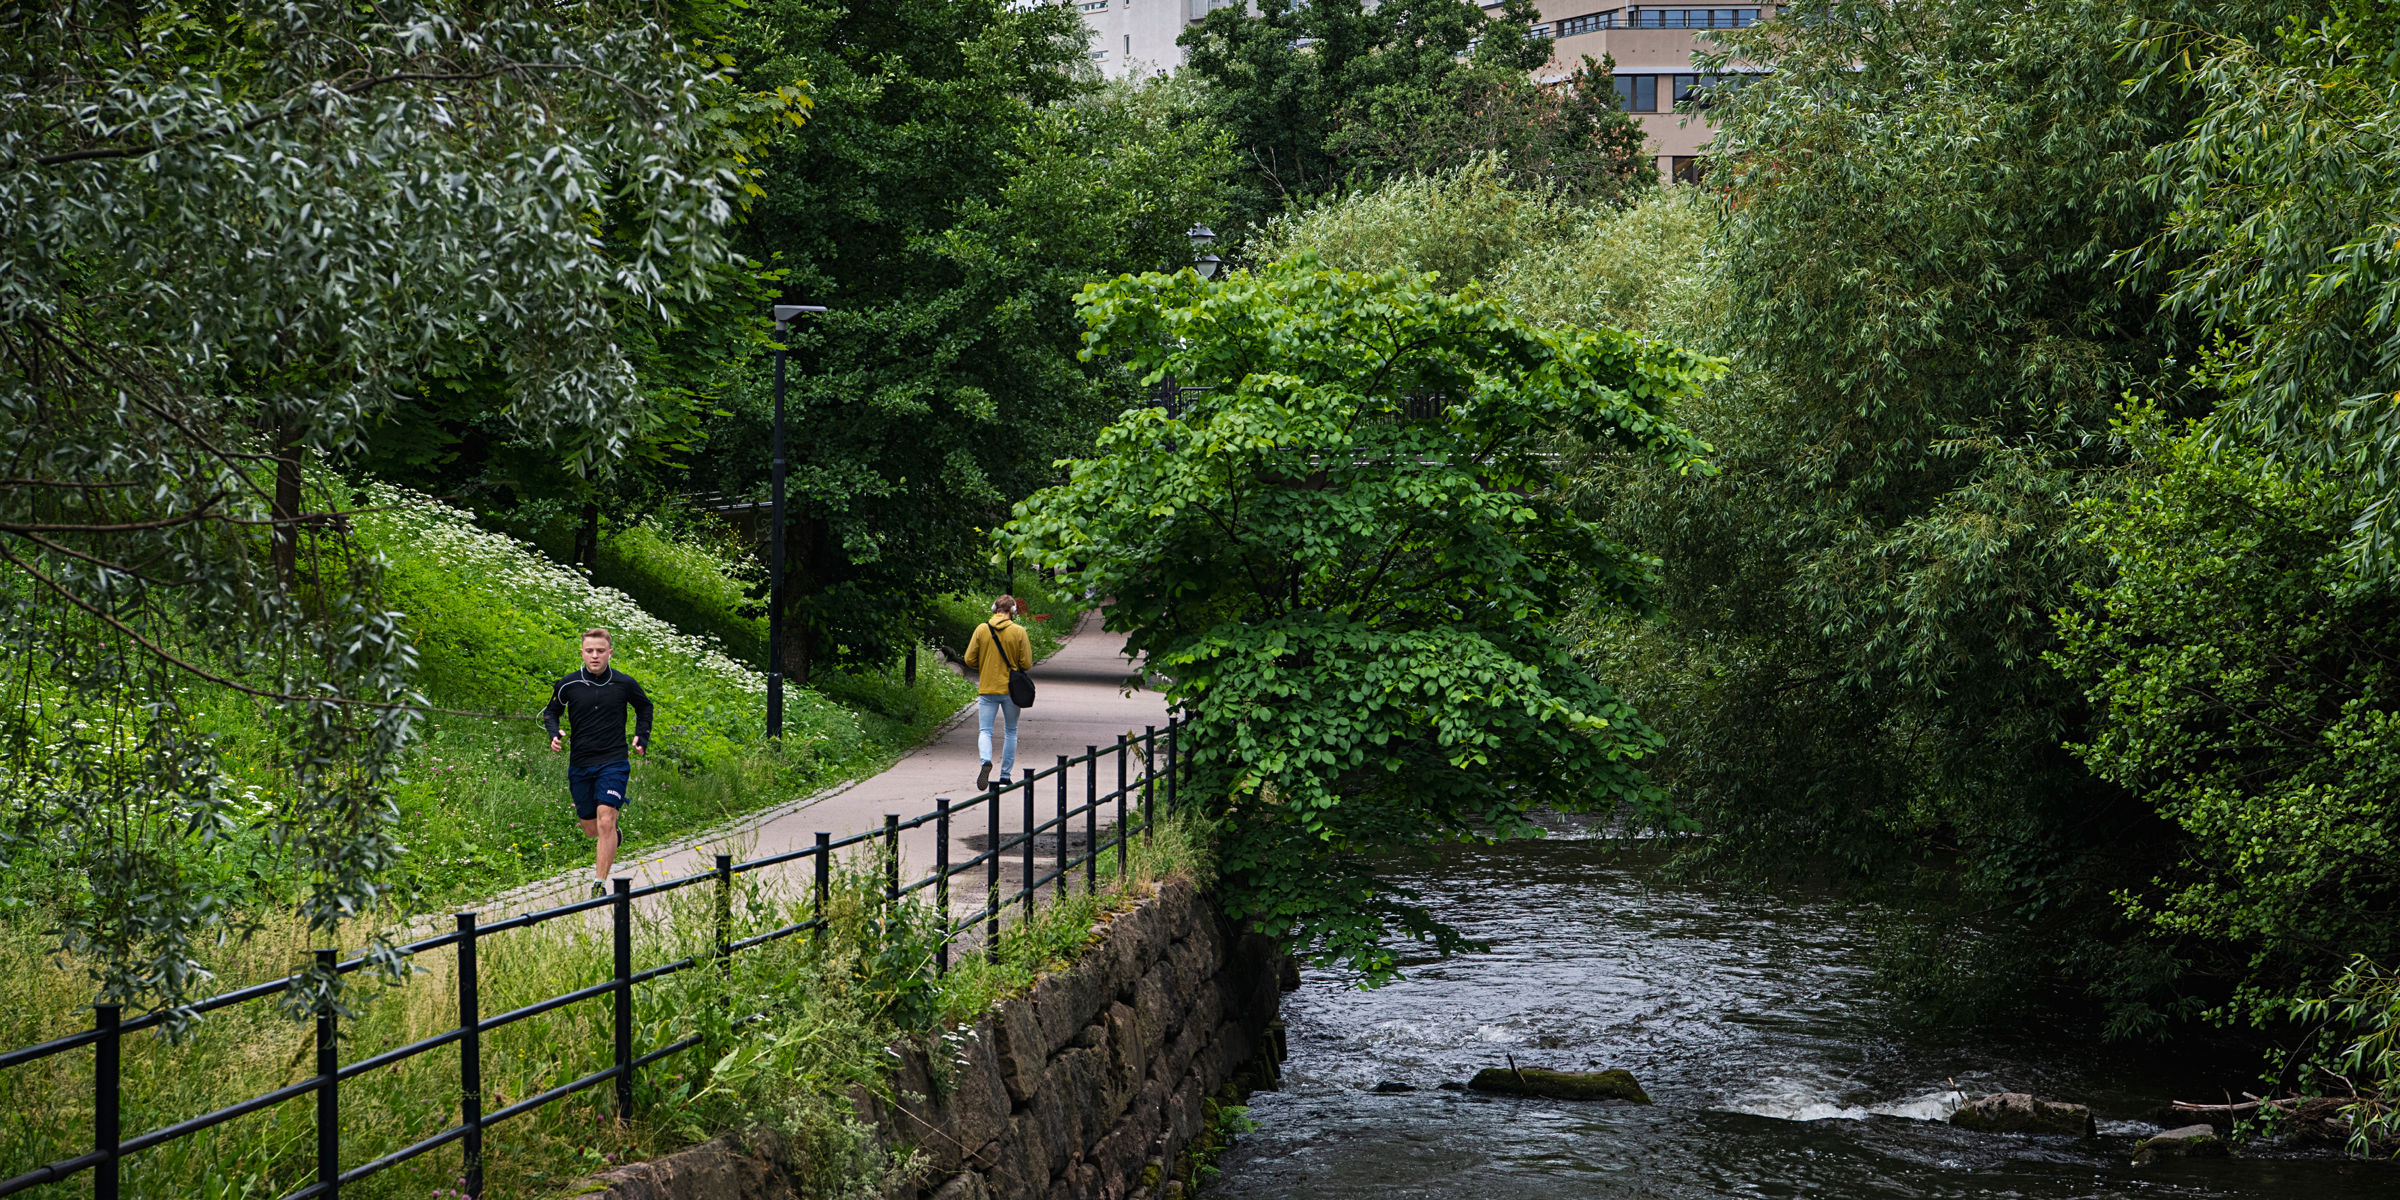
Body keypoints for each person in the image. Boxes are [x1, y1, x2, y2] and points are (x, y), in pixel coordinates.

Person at [541, 628, 653, 896]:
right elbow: (551, 712)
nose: (595, 656)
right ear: (582, 653)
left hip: (613, 761)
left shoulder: (624, 684)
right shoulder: (567, 684)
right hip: (580, 763)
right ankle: (613, 835)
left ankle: (599, 884)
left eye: (600, 651)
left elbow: (644, 707)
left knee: (605, 820)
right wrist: (554, 733)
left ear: (609, 653)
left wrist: (642, 736)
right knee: (591, 829)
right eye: (589, 651)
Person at [963, 594, 1033, 791]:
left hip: (987, 688)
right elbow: (1026, 663)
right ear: (1013, 611)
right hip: (1012, 690)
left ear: (994, 609)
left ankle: (986, 761)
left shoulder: (981, 629)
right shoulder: (1019, 631)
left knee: (985, 730)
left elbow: (969, 659)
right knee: (1010, 731)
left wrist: (985, 665)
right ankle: (1005, 775)